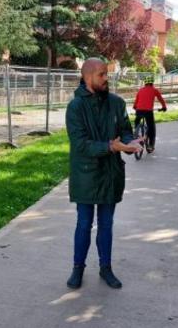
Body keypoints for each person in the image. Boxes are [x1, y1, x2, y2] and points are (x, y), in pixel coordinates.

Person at [65, 58, 141, 289]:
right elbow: (81, 145)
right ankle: (78, 268)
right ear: (88, 77)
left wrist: (132, 141)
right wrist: (110, 146)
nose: (106, 78)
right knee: (84, 223)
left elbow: (125, 132)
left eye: (106, 74)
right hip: (85, 176)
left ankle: (106, 268)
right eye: (101, 74)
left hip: (110, 175)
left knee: (106, 224)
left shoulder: (117, 103)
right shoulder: (75, 107)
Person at [133, 78, 167, 153]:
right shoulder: (154, 90)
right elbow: (160, 99)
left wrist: (135, 106)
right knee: (151, 128)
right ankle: (151, 145)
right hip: (148, 111)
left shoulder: (140, 90)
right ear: (152, 83)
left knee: (137, 123)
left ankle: (136, 134)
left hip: (139, 110)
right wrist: (164, 107)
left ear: (145, 83)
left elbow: (136, 100)